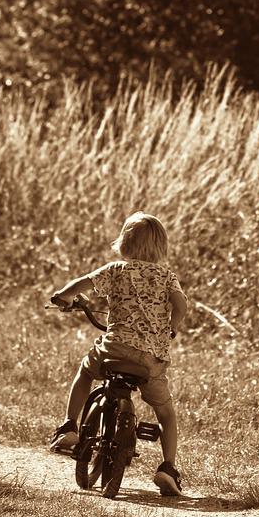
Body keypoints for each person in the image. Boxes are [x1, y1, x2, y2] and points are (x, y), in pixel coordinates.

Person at [49, 212, 189, 496]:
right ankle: (167, 467)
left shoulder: (117, 270)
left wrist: (62, 296)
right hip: (151, 358)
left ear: (124, 242)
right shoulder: (166, 277)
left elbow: (83, 282)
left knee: (86, 372)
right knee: (165, 412)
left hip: (114, 349)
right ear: (162, 247)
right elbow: (181, 304)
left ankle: (68, 427)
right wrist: (172, 325)